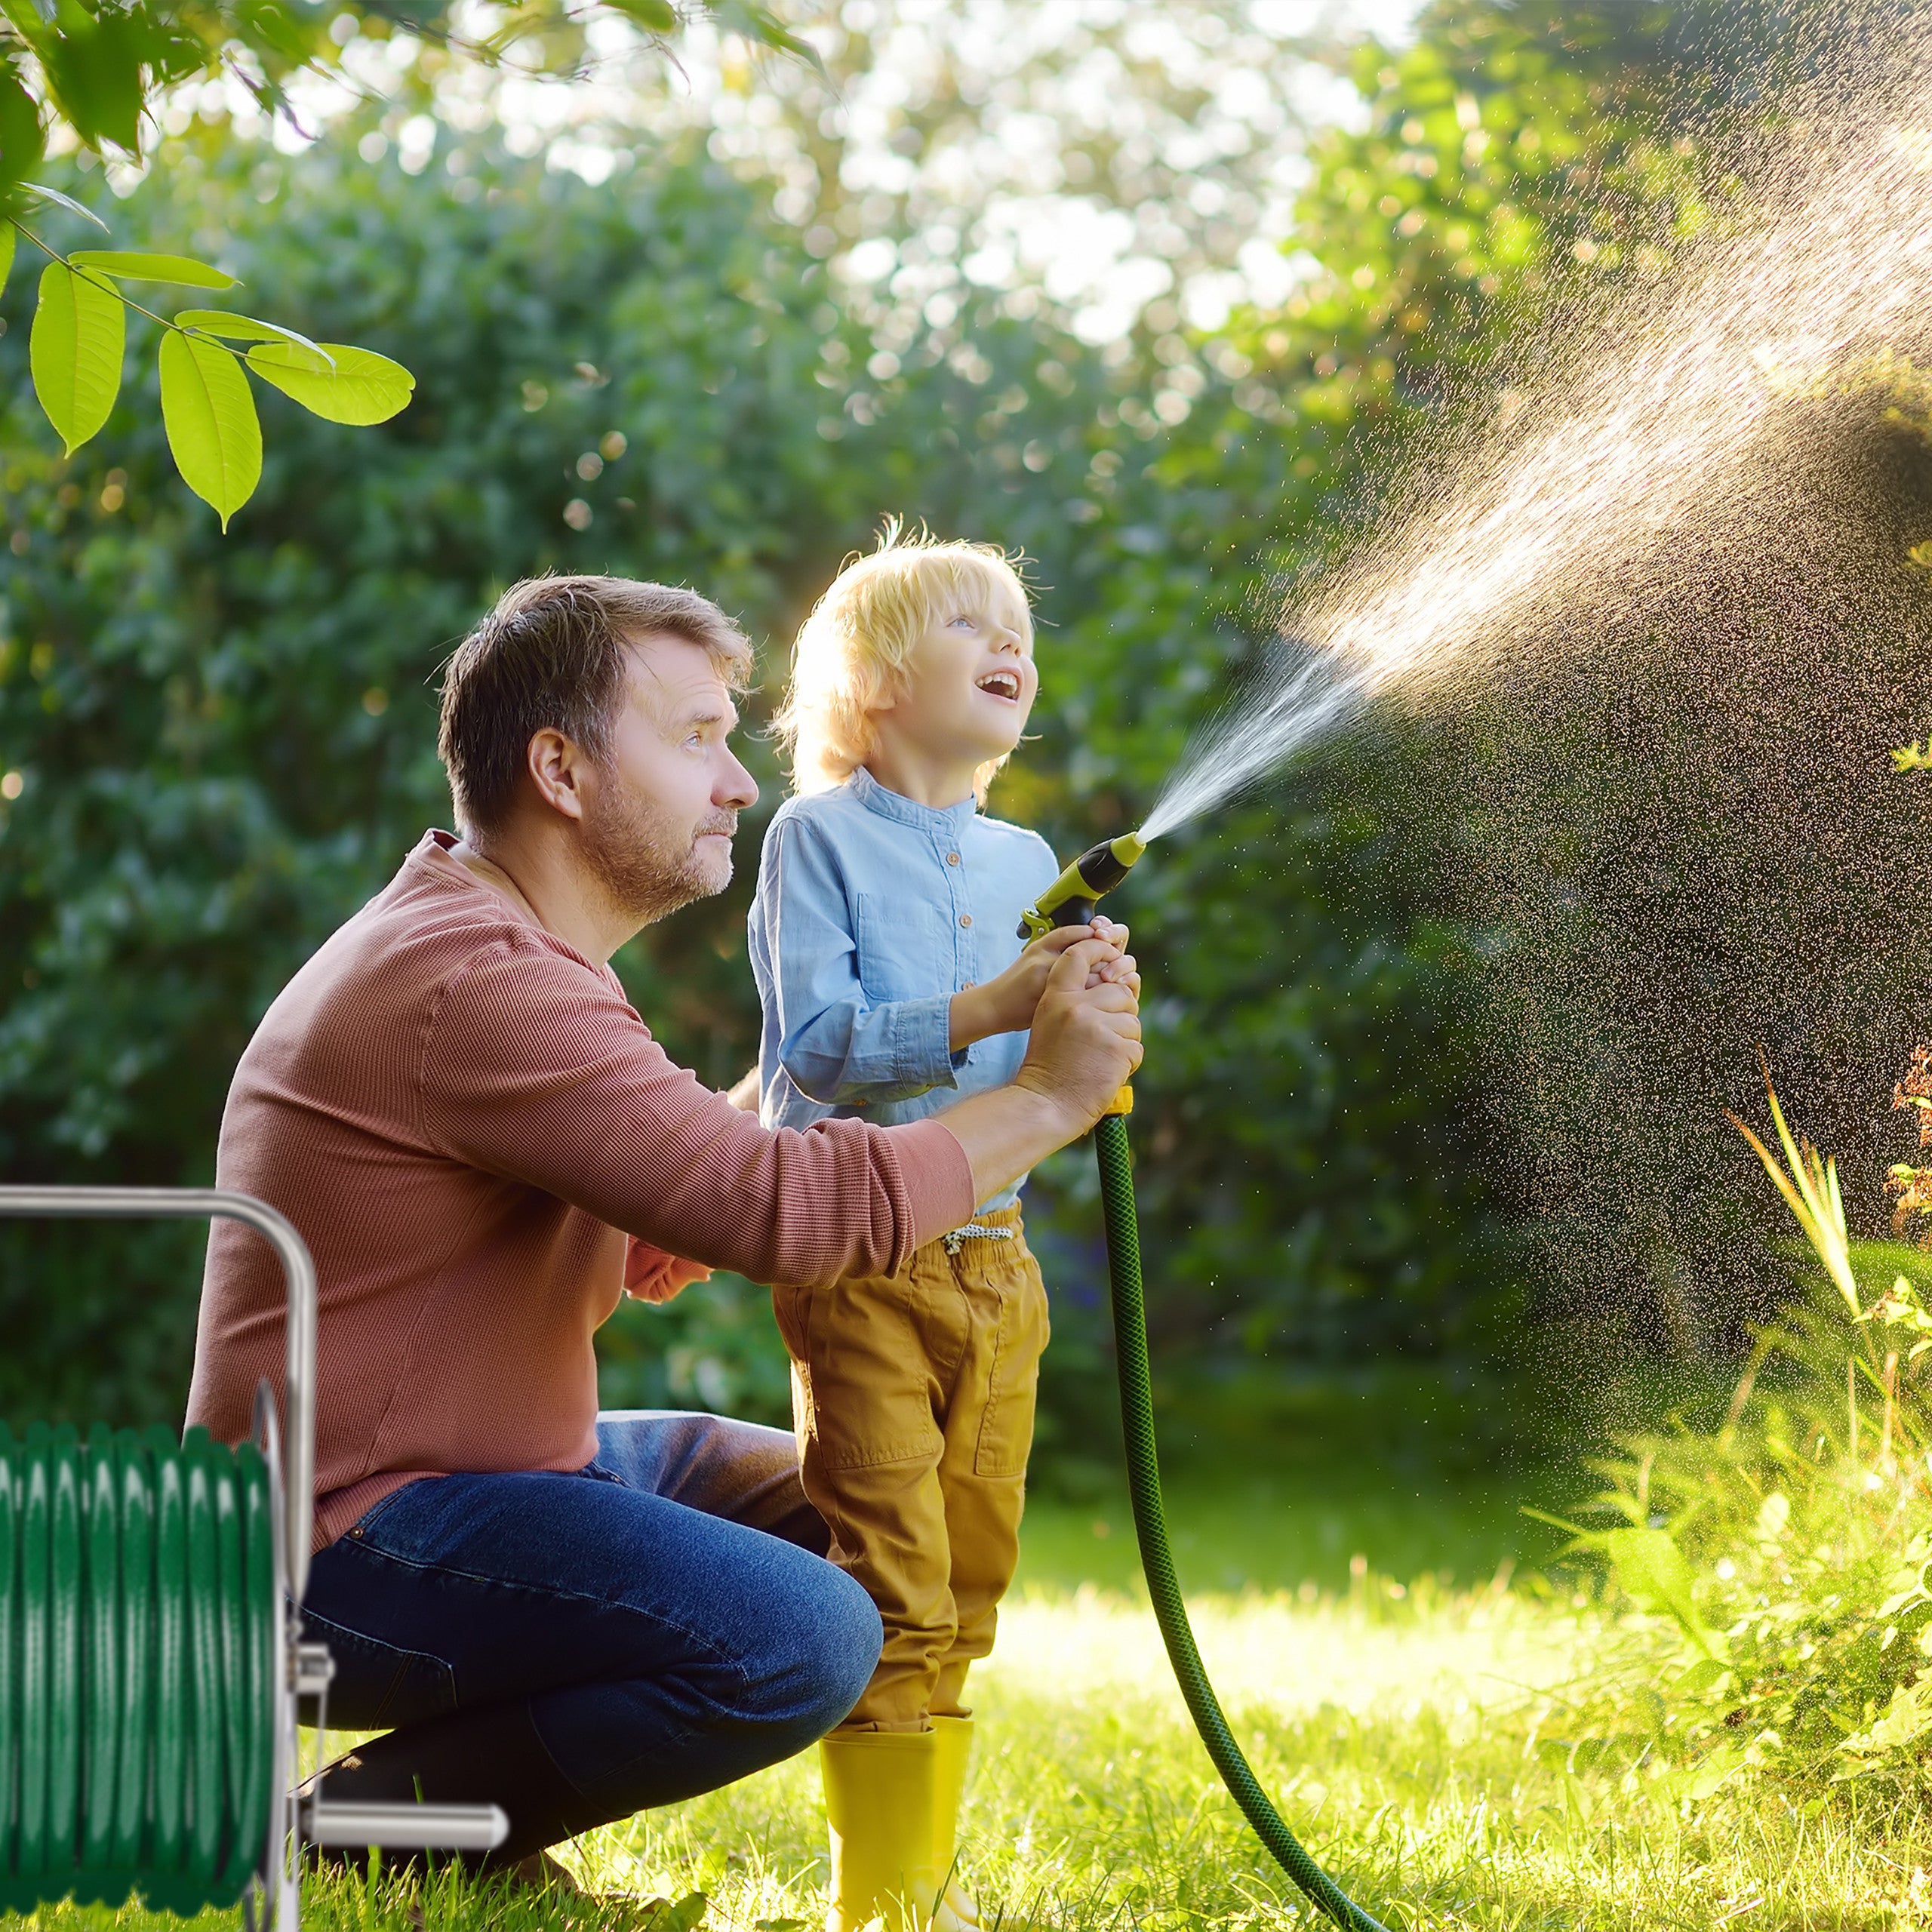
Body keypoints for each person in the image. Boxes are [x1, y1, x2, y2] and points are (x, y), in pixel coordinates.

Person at [183, 574, 1141, 1878]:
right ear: (562, 771)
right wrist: (1046, 1099)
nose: (741, 784)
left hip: (492, 1476)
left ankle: (450, 1820)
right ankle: (356, 1837)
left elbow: (672, 1213)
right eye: (696, 739)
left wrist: (866, 1046)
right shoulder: (479, 985)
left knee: (863, 1500)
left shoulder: (517, 955)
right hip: (339, 1546)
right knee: (805, 1630)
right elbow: (783, 1211)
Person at [752, 532, 1132, 1932]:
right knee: (895, 1579)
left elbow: (1046, 1070)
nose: (1008, 643)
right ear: (874, 682)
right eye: (969, 623)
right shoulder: (814, 838)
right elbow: (819, 1045)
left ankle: (919, 1886)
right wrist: (994, 1008)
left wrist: (1084, 1003)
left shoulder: (1028, 856)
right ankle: (884, 1903)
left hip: (998, 1260)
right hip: (864, 1261)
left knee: (971, 1578)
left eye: (1017, 626)